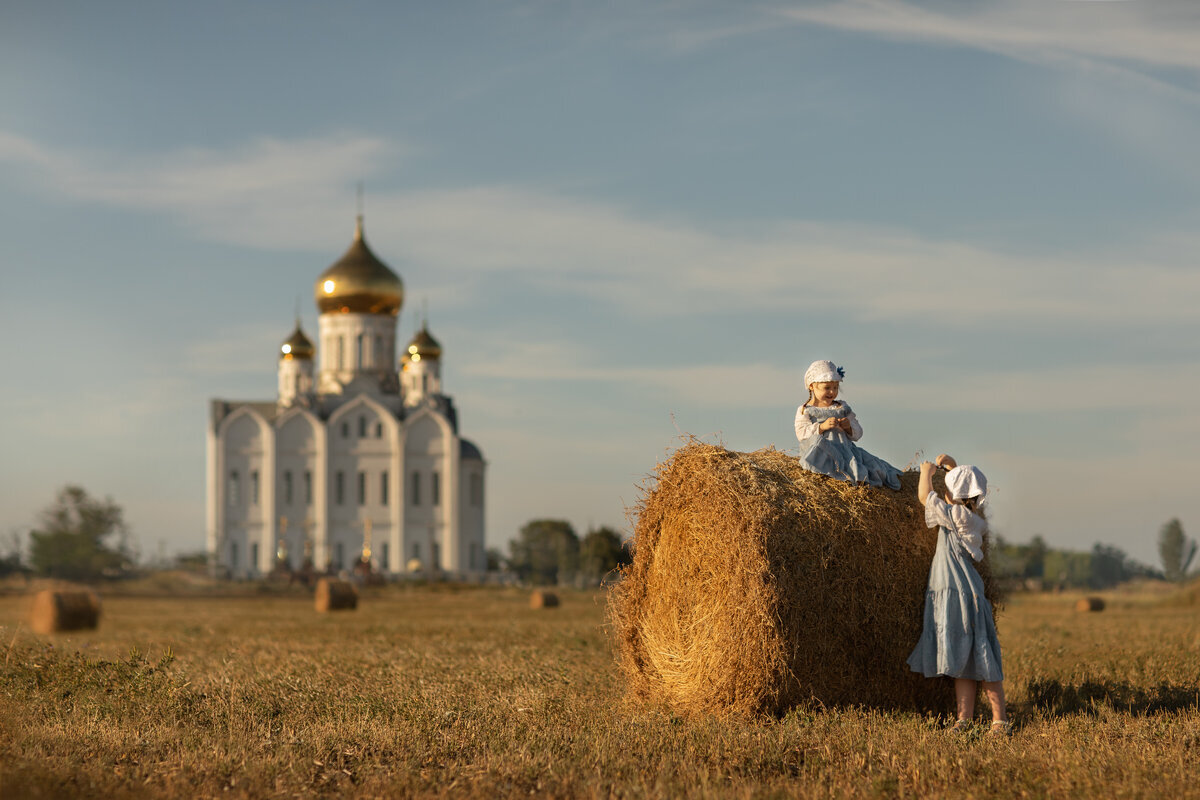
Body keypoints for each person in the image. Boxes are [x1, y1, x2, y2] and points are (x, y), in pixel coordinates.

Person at [906, 453, 1010, 736]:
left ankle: (1000, 720)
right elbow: (963, 492)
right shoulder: (971, 516)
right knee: (966, 660)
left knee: (981, 657)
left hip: (957, 592)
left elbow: (925, 497)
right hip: (962, 591)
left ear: (953, 495)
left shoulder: (955, 515)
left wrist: (926, 473)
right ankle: (965, 719)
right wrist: (952, 467)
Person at [793, 360, 901, 490]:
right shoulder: (805, 410)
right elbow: (801, 434)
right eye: (827, 388)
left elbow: (858, 433)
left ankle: (857, 481)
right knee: (817, 443)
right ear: (811, 386)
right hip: (821, 450)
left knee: (868, 467)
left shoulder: (841, 407)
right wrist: (821, 427)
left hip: (844, 449)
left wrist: (848, 427)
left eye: (835, 388)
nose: (832, 392)